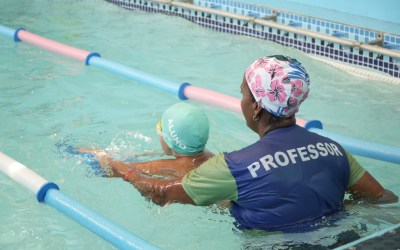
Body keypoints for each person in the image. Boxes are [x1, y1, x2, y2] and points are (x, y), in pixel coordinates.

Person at [97, 55, 399, 232]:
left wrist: (123, 169)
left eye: (243, 94)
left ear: (256, 107)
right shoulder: (334, 150)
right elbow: (383, 198)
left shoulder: (233, 166)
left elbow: (159, 194)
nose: (240, 101)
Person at [82, 102, 214, 179]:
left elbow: (113, 170)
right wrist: (137, 156)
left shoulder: (166, 167)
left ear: (170, 142)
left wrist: (98, 154)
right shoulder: (209, 156)